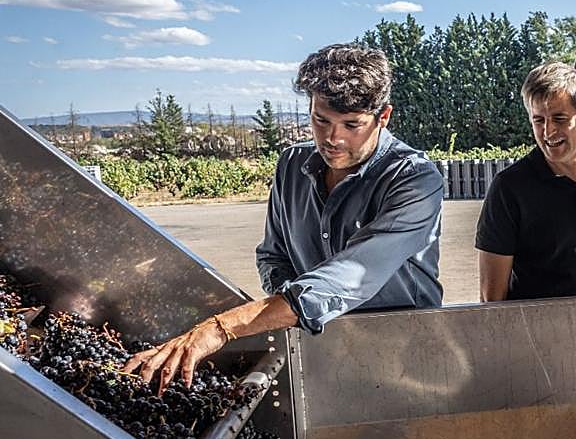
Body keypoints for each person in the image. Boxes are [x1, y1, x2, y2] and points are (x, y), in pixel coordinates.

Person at [125, 43, 443, 391]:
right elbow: (273, 255)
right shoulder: (292, 165)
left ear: (383, 117)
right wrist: (288, 313)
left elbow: (351, 276)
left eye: (352, 125)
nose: (333, 138)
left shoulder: (414, 179)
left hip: (403, 358)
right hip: (316, 349)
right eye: (321, 120)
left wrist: (222, 327)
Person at [475, 61, 576, 301]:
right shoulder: (509, 188)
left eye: (559, 118)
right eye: (538, 120)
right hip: (538, 334)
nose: (548, 132)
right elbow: (492, 296)